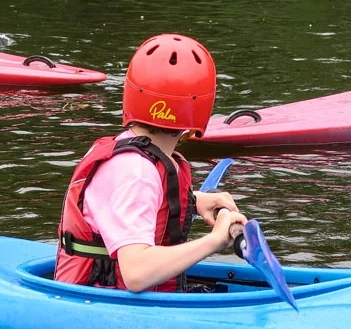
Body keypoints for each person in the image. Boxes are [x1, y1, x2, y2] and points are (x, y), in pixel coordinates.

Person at [56, 34, 247, 292]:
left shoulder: (128, 153)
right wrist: (215, 240)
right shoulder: (137, 172)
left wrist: (193, 201)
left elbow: (123, 206)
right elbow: (137, 273)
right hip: (104, 307)